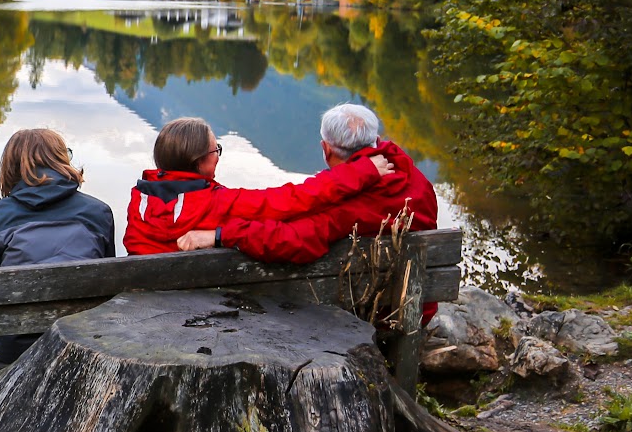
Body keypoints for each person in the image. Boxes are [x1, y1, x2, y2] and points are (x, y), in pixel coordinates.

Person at [176, 104, 439, 313]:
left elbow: (292, 240)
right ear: (377, 140)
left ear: (326, 150)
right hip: (417, 303)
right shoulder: (417, 180)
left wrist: (220, 235)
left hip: (373, 311)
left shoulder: (343, 204)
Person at [123, 116, 393, 255]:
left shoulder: (139, 201)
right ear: (201, 162)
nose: (217, 154)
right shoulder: (220, 203)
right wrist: (362, 172)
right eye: (215, 149)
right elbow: (295, 199)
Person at [0, 128, 115, 362]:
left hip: (13, 347)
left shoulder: (1, 215)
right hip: (81, 341)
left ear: (11, 166)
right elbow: (108, 281)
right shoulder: (99, 212)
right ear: (61, 159)